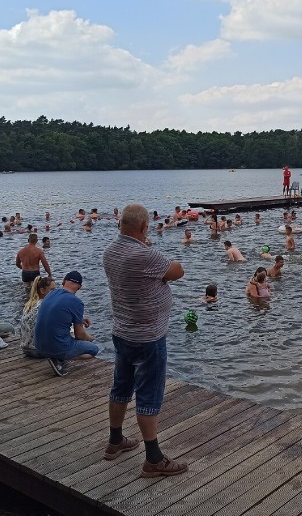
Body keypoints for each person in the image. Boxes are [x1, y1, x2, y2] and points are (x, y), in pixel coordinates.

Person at [102, 203, 187, 477]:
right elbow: (177, 271)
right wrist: (150, 249)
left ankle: (115, 441)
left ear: (120, 225)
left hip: (122, 331)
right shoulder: (144, 255)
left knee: (121, 387)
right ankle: (153, 459)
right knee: (148, 397)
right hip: (148, 337)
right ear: (143, 228)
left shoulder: (110, 252)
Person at [34, 271, 97, 373]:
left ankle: (56, 357)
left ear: (63, 282)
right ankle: (60, 358)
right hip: (56, 346)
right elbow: (80, 335)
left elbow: (55, 313)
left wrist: (79, 319)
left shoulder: (51, 293)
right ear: (79, 287)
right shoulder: (77, 302)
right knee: (93, 349)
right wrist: (91, 338)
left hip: (38, 345)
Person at [20, 276, 56, 357]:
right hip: (39, 351)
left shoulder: (30, 304)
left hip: (26, 348)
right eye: (52, 290)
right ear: (42, 290)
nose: (55, 292)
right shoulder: (46, 305)